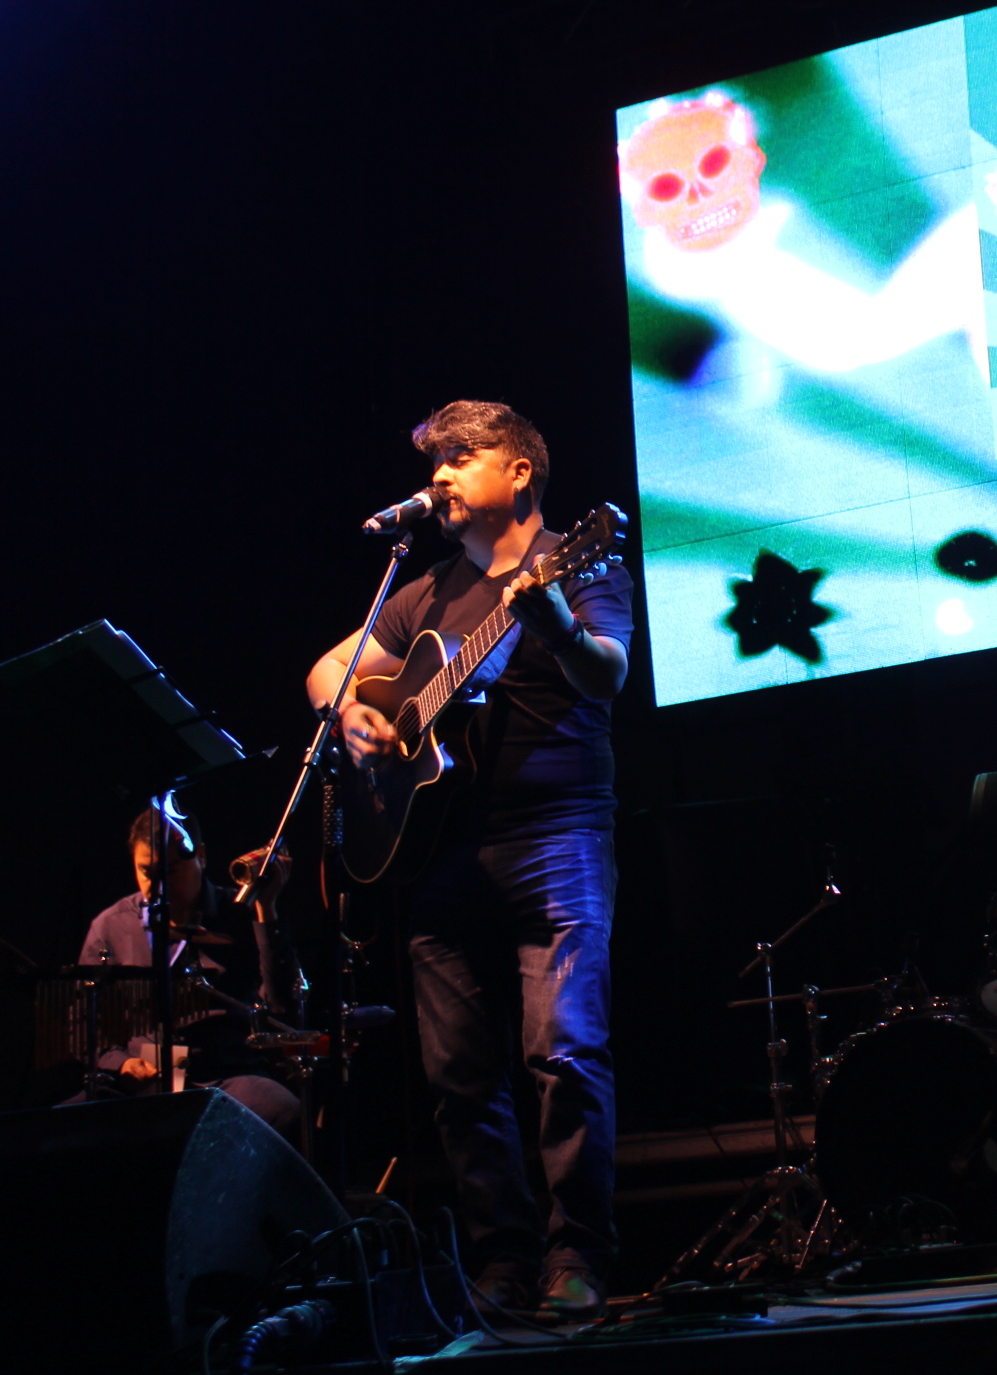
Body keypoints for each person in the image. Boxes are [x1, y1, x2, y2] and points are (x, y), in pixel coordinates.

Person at [306, 401, 633, 1318]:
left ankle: (578, 1257)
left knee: (564, 1050)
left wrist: (555, 623)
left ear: (519, 471)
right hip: (442, 851)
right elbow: (327, 669)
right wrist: (354, 711)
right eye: (435, 462)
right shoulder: (424, 592)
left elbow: (607, 673)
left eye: (460, 457)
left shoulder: (579, 558)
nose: (440, 476)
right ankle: (502, 1262)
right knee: (458, 1075)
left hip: (556, 835)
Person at [76, 806, 301, 1132]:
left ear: (202, 857)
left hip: (225, 1074)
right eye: (146, 872)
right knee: (59, 1127)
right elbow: (83, 1023)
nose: (158, 887)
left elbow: (283, 1009)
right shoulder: (111, 925)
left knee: (282, 1110)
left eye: (171, 871)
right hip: (142, 1079)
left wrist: (266, 910)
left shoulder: (242, 914)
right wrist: (121, 1063)